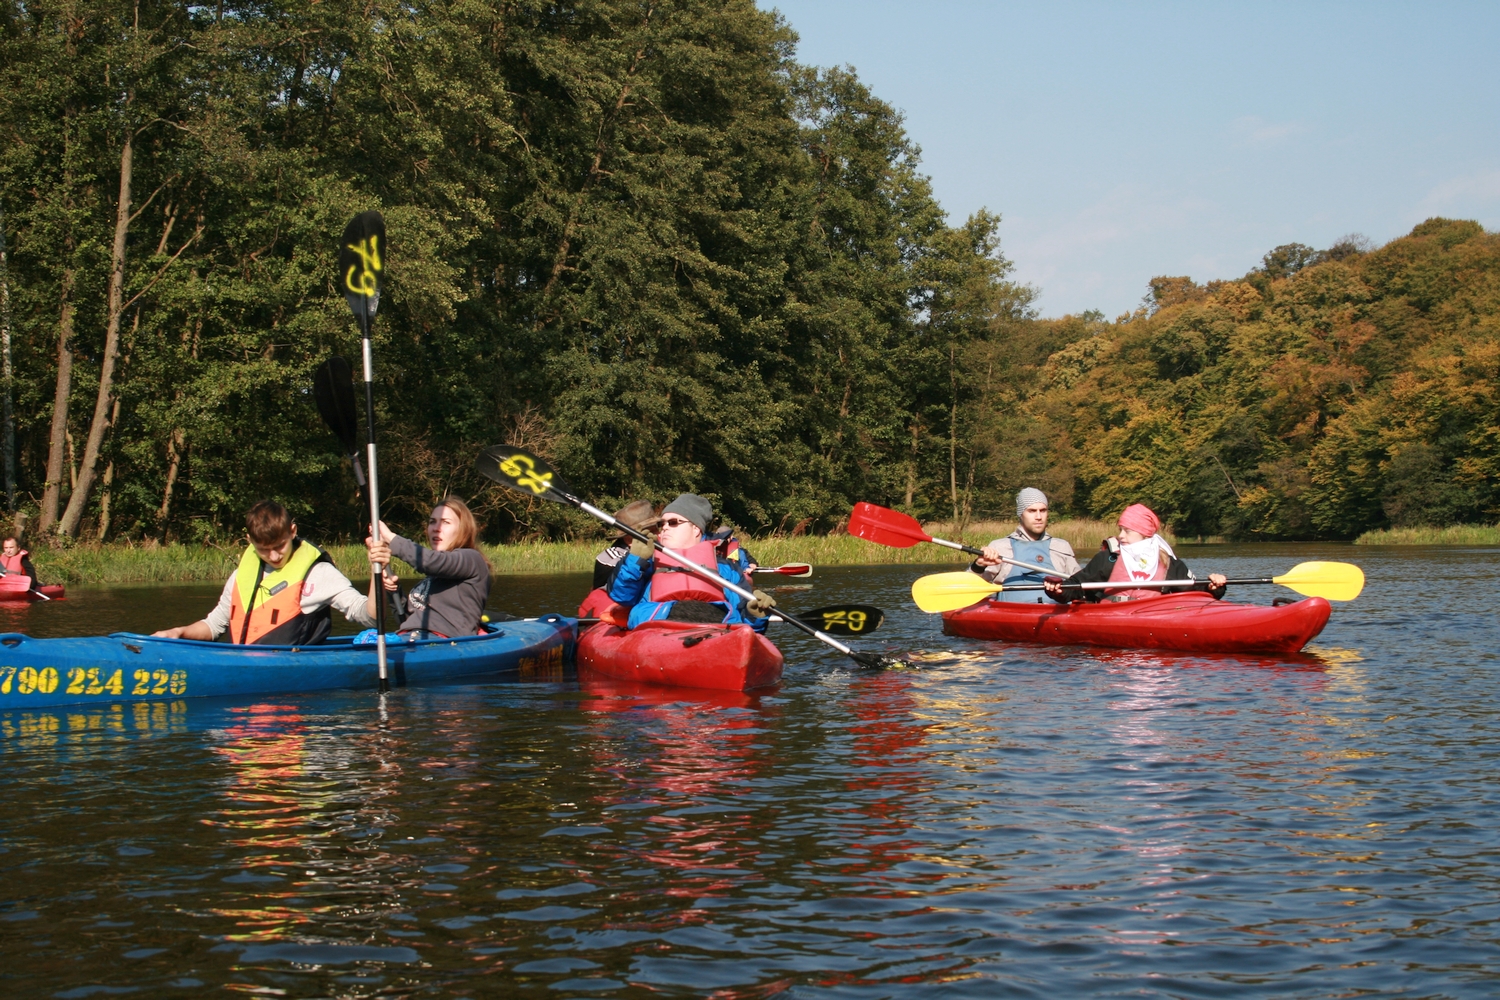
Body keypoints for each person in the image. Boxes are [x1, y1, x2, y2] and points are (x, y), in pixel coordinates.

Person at [153, 501, 375, 644]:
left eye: (280, 546)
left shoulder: (318, 574)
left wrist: (377, 570)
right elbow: (213, 626)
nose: (274, 556)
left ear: (292, 531)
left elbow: (370, 616)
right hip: (246, 670)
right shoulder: (240, 576)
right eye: (263, 550)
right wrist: (179, 632)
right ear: (249, 541)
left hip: (296, 689)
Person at [608, 492, 775, 630]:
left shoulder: (726, 569)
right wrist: (635, 559)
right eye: (662, 524)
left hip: (715, 630)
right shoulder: (646, 563)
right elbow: (623, 597)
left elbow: (748, 626)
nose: (664, 527)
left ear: (696, 529)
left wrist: (756, 614)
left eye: (673, 523)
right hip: (658, 629)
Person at [1044, 503, 1226, 604]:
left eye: (1127, 531)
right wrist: (1058, 590)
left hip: (1152, 618)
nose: (1121, 536)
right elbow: (1076, 587)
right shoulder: (1108, 558)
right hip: (1111, 618)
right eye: (1120, 530)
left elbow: (1194, 591)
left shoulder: (1168, 562)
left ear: (1144, 534)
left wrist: (1214, 587)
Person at [365, 497, 491, 639]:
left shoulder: (472, 559)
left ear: (464, 529)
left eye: (445, 522)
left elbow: (429, 562)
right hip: (414, 638)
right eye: (432, 522)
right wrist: (394, 591)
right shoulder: (434, 575)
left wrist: (390, 538)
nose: (436, 528)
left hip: (445, 643)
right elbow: (407, 621)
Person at [969, 488, 1080, 603]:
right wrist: (978, 566)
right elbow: (970, 588)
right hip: (1012, 612)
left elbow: (1081, 586)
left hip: (1058, 612)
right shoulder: (1000, 547)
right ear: (1021, 514)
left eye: (1043, 510)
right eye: (1032, 511)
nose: (1038, 517)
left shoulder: (1061, 546)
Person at [593, 500, 660, 590]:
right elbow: (622, 589)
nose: (658, 534)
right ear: (629, 539)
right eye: (650, 531)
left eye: (657, 528)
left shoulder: (659, 553)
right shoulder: (611, 558)